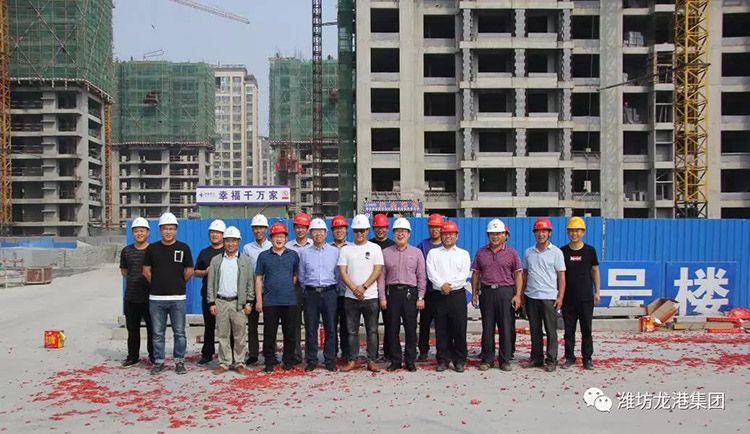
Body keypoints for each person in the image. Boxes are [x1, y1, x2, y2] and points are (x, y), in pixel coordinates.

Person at [142, 212, 194, 375]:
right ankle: (159, 361)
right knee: (158, 333)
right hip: (156, 299)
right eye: (165, 229)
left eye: (171, 228)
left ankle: (179, 361)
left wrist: (178, 282)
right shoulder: (152, 248)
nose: (168, 232)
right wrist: (158, 283)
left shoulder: (183, 248)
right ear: (160, 230)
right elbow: (146, 271)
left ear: (176, 230)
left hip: (177, 298)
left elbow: (190, 270)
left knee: (179, 332)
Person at [471, 219, 523, 372]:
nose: (495, 237)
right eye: (492, 234)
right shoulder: (481, 253)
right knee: (487, 327)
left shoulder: (512, 253)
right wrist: (474, 293)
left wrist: (518, 295)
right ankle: (487, 359)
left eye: (498, 234)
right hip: (487, 292)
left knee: (506, 327)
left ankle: (504, 360)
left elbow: (518, 275)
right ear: (488, 235)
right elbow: (476, 274)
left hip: (506, 292)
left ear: (505, 235)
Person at [377, 218, 426, 372]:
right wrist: (382, 298)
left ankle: (410, 360)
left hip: (410, 294)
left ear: (409, 234)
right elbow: (381, 277)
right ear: (394, 233)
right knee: (392, 329)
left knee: (411, 329)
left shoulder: (417, 253)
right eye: (398, 231)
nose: (400, 234)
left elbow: (421, 276)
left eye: (403, 231)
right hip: (392, 294)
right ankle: (396, 360)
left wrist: (420, 297)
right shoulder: (385, 253)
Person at [518, 217, 566, 373]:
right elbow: (524, 274)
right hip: (532, 296)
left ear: (549, 233)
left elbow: (561, 277)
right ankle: (536, 358)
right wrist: (521, 294)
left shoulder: (556, 253)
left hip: (549, 297)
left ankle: (551, 360)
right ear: (534, 233)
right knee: (535, 330)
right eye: (538, 231)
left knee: (551, 331)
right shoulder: (528, 252)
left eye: (544, 231)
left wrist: (560, 297)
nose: (541, 234)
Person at [338, 214, 384, 373]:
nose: (359, 234)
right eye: (357, 231)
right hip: (351, 297)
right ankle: (352, 359)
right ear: (352, 231)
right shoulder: (346, 249)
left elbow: (377, 270)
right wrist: (354, 288)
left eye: (362, 230)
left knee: (372, 330)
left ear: (367, 230)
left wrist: (363, 287)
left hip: (370, 296)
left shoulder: (375, 248)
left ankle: (372, 360)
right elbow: (342, 271)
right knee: (351, 330)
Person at [206, 226, 254, 375]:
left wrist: (249, 301)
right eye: (228, 241)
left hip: (238, 303)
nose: (231, 244)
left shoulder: (245, 260)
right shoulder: (216, 260)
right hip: (221, 302)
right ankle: (225, 362)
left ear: (239, 242)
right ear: (224, 241)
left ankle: (239, 362)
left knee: (240, 335)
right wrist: (211, 302)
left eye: (234, 241)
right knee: (223, 334)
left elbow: (249, 283)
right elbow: (211, 282)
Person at [426, 221, 471, 373]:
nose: (448, 237)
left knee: (459, 329)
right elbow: (431, 273)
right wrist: (442, 285)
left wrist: (449, 285)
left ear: (457, 236)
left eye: (451, 234)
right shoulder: (433, 253)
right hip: (439, 295)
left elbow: (464, 274)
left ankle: (459, 360)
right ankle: (443, 360)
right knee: (441, 329)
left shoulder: (463, 254)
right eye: (445, 234)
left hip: (457, 295)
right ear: (441, 235)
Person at [256, 222, 301, 372]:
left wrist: (286, 287)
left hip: (289, 301)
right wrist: (259, 301)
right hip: (270, 302)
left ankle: (288, 361)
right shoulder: (263, 256)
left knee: (290, 333)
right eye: (276, 236)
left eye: (282, 236)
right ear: (271, 238)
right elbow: (258, 279)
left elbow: (295, 276)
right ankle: (269, 361)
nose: (279, 239)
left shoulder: (293, 255)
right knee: (269, 334)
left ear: (286, 238)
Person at [298, 218, 340, 372]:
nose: (318, 234)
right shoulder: (304, 253)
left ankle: (330, 359)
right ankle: (312, 359)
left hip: (329, 292)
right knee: (311, 327)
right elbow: (302, 276)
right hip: (311, 293)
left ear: (326, 233)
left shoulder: (335, 252)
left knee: (330, 327)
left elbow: (338, 274)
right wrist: (307, 290)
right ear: (311, 233)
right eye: (315, 231)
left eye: (321, 231)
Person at [560, 217, 600, 370]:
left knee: (586, 330)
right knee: (568, 330)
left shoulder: (590, 251)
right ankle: (569, 357)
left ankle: (587, 359)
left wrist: (597, 291)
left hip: (586, 298)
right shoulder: (562, 251)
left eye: (577, 230)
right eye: (571, 230)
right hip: (568, 299)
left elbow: (595, 271)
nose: (574, 233)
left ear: (583, 232)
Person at [119, 217, 154, 367]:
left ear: (147, 232)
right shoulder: (126, 251)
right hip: (131, 297)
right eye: (136, 231)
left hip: (150, 297)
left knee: (153, 330)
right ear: (132, 233)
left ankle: (153, 356)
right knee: (132, 330)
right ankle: (133, 356)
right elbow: (124, 271)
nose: (139, 233)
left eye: (142, 230)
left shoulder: (153, 250)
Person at [193, 219, 226, 365]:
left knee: (226, 326)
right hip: (208, 294)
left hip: (226, 296)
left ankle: (226, 353)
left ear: (223, 235)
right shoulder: (204, 253)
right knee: (209, 325)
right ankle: (207, 353)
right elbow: (195, 271)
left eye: (218, 233)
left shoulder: (229, 251)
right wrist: (205, 272)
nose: (215, 235)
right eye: (212, 232)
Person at [241, 214, 272, 365]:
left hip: (270, 291)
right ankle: (253, 354)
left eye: (261, 227)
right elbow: (246, 271)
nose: (258, 230)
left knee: (269, 324)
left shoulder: (272, 246)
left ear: (266, 229)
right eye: (255, 228)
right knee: (252, 325)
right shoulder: (247, 248)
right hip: (252, 290)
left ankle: (268, 353)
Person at [286, 212, 312, 365]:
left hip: (309, 288)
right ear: (294, 228)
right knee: (294, 324)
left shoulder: (314, 244)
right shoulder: (288, 246)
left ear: (308, 229)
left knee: (310, 323)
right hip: (293, 288)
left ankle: (310, 355)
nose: (300, 230)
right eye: (297, 227)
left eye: (303, 227)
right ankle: (295, 355)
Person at [416, 213, 443, 361]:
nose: (434, 230)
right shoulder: (422, 246)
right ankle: (424, 351)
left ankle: (442, 351)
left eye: (437, 227)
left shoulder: (446, 245)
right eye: (432, 227)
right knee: (424, 323)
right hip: (427, 291)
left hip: (441, 292)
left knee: (441, 324)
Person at [369, 213, 394, 361]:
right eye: (377, 227)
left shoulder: (392, 245)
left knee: (389, 323)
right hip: (371, 289)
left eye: (383, 227)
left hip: (388, 290)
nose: (380, 230)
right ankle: (374, 354)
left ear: (387, 228)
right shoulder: (369, 245)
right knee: (372, 325)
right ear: (373, 228)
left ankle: (389, 352)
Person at [330, 215, 351, 362]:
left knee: (346, 325)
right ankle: (332, 352)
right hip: (331, 292)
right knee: (330, 324)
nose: (339, 231)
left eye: (342, 228)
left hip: (348, 292)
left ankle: (346, 352)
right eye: (336, 229)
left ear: (346, 230)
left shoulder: (352, 248)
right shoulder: (326, 248)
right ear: (332, 231)